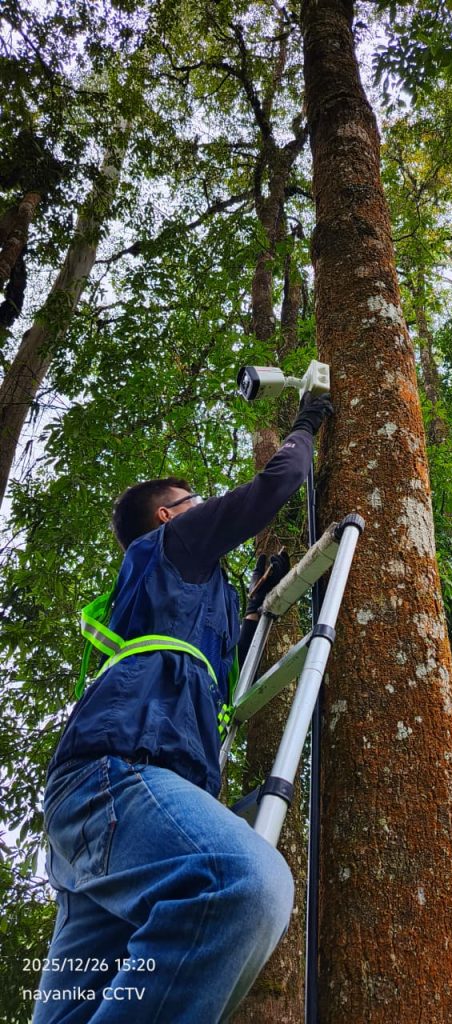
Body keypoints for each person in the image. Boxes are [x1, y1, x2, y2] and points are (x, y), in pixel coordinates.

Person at [32, 392, 333, 1024]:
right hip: (117, 783)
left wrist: (251, 610)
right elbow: (277, 482)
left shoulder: (180, 586)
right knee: (242, 886)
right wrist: (305, 424)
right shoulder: (170, 547)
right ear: (170, 516)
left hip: (96, 823)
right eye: (194, 501)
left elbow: (212, 666)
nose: (205, 508)